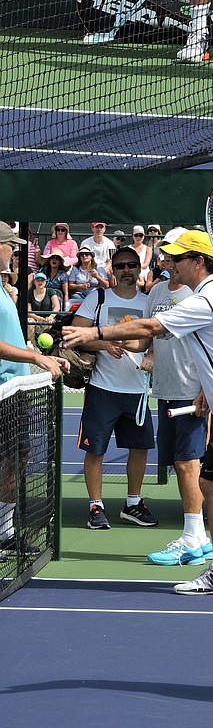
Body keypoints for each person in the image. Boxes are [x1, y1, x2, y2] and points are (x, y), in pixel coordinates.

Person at [64, 229, 213, 593]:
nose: (170, 262)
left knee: (210, 481)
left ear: (198, 262)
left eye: (178, 257)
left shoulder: (206, 300)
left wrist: (94, 332)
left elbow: (151, 326)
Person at [65, 245, 158, 531]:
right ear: (112, 270)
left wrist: (151, 355)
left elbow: (157, 336)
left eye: (131, 265)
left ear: (138, 268)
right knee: (95, 450)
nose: (127, 270)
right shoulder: (98, 297)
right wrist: (103, 343)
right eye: (121, 266)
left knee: (139, 448)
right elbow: (74, 336)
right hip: (103, 388)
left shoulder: (149, 301)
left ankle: (133, 503)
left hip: (136, 390)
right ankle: (96, 506)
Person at [141, 231, 212, 567]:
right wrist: (98, 344)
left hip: (192, 393)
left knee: (189, 464)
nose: (167, 259)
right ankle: (198, 538)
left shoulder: (200, 295)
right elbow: (146, 339)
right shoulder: (156, 291)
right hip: (166, 390)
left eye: (174, 255)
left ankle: (193, 538)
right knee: (180, 465)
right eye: (166, 254)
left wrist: (206, 389)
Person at [0, 222, 68, 555]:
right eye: (9, 245)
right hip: (3, 390)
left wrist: (41, 356)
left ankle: (4, 530)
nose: (14, 251)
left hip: (14, 388)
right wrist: (34, 358)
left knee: (18, 456)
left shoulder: (3, 286)